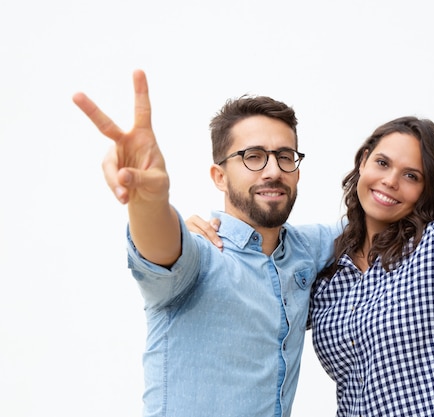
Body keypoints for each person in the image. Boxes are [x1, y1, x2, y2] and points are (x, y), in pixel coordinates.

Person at [188, 68, 434, 416]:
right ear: (364, 161)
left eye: (411, 175)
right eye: (382, 163)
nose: (391, 181)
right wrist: (195, 235)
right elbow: (259, 289)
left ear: (426, 190)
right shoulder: (326, 273)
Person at [72, 70, 340, 417]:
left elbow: (371, 218)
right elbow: (163, 249)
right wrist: (149, 200)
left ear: (297, 171)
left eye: (284, 156)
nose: (272, 170)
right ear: (220, 176)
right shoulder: (201, 254)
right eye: (253, 156)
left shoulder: (308, 248)